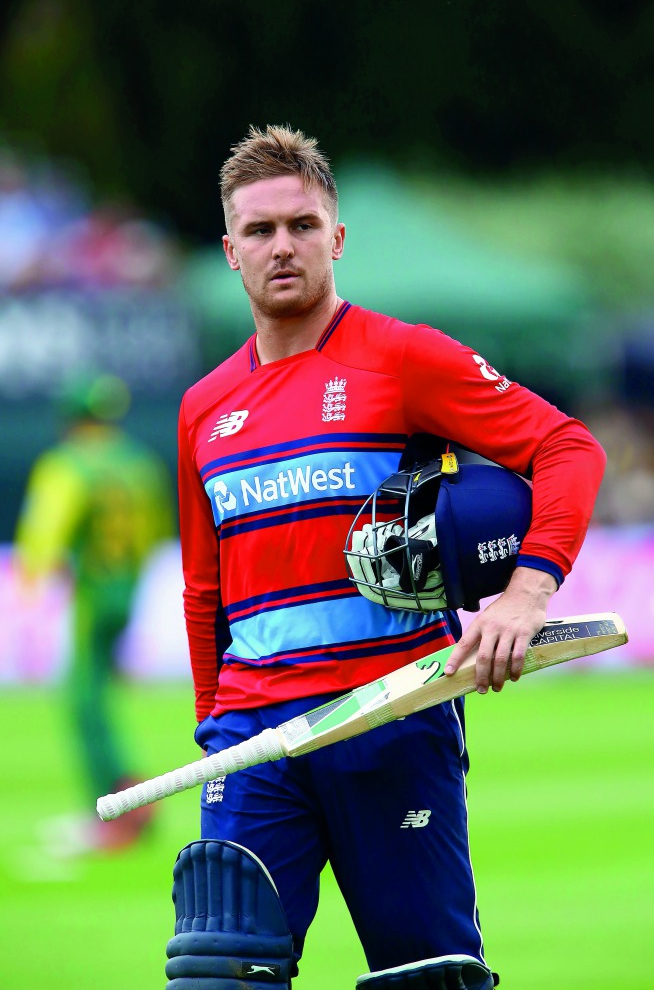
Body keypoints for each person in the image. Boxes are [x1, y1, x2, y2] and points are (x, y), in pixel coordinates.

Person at [172, 126, 605, 989]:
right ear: (229, 250)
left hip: (392, 716)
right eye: (259, 230)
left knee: (426, 980)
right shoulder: (202, 409)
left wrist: (524, 594)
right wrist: (213, 725)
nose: (282, 245)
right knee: (216, 978)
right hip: (255, 742)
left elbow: (566, 447)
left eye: (301, 225)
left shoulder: (401, 358)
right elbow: (202, 589)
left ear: (335, 237)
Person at [14, 372, 175, 852]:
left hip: (93, 593)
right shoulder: (138, 463)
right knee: (98, 697)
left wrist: (32, 586)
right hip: (126, 590)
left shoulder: (66, 464)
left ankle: (116, 807)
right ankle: (124, 802)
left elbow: (45, 532)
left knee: (85, 704)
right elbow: (155, 533)